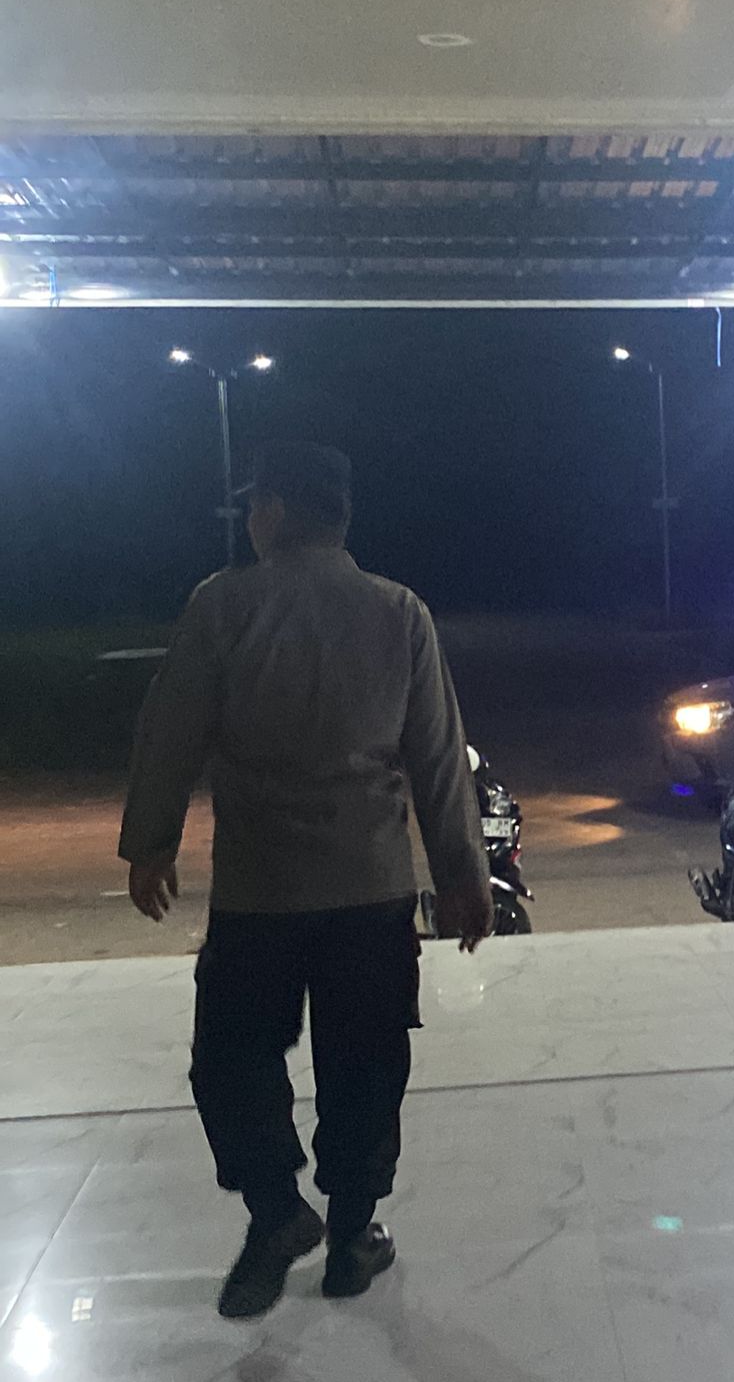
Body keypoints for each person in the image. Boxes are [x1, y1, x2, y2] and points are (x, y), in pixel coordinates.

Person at [118, 441, 493, 1320]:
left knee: (233, 1060)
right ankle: (353, 1237)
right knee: (365, 1064)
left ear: (276, 511)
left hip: (260, 891)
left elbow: (170, 731)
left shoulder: (223, 605)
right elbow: (439, 757)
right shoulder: (399, 612)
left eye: (255, 505)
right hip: (371, 890)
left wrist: (151, 844)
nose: (250, 520)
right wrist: (463, 875)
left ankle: (277, 1213)